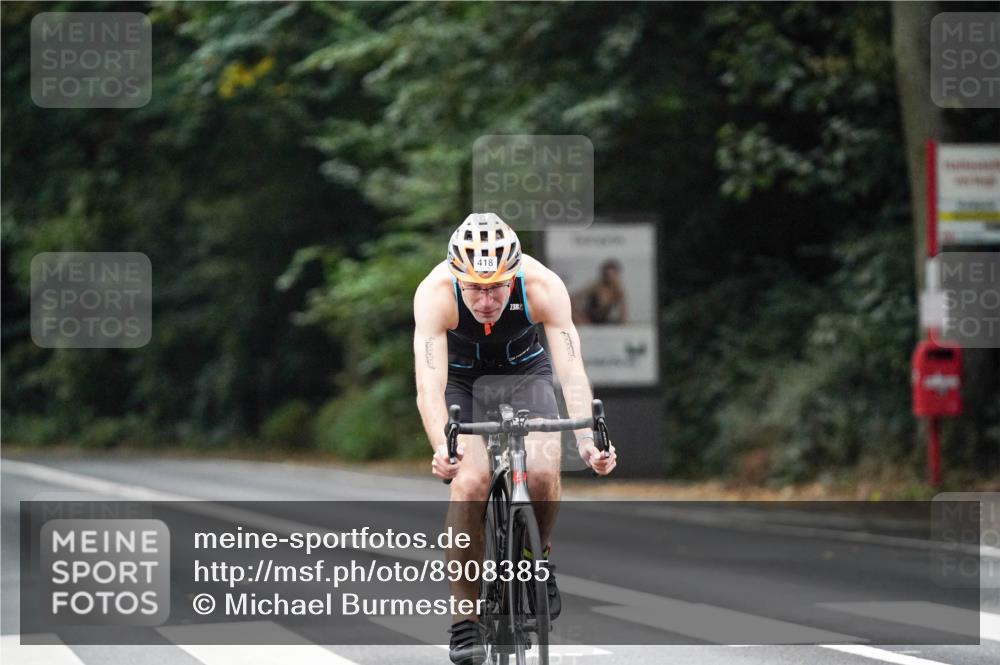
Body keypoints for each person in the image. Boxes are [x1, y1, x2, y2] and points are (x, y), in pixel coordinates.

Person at [413, 212, 617, 665]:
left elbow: (571, 370)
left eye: (497, 287)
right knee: (469, 484)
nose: (485, 300)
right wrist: (442, 447)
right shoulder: (434, 293)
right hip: (460, 384)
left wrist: (587, 437)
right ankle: (465, 619)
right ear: (457, 278)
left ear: (514, 275)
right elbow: (429, 386)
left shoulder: (543, 286)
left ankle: (536, 555)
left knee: (545, 469)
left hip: (526, 373)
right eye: (475, 289)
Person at [571, 259, 628, 325]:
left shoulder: (618, 291)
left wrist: (622, 325)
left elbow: (623, 312)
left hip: (604, 322)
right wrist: (582, 320)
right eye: (607, 275)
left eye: (612, 275)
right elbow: (572, 299)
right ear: (604, 275)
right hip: (590, 321)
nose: (610, 278)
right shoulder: (595, 287)